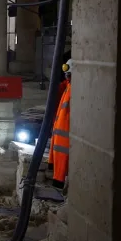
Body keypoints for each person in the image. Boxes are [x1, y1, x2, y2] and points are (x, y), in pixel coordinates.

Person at [49, 60, 72, 189]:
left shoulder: (71, 90)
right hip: (60, 143)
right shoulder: (66, 88)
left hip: (65, 144)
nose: (67, 77)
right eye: (66, 75)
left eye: (69, 75)